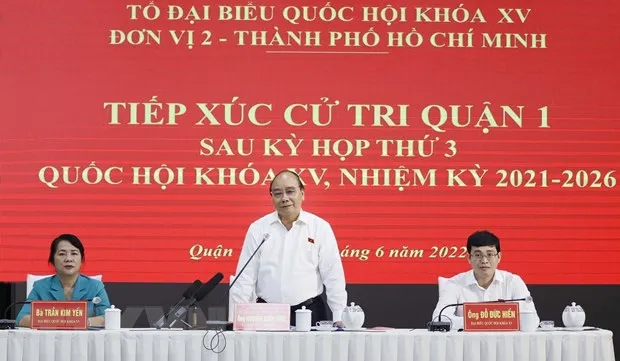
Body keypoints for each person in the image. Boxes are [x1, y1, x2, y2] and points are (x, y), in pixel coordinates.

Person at [230, 170, 347, 327]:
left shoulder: (319, 227)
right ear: (271, 197)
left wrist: (339, 315)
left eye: (290, 191)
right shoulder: (258, 228)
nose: (284, 198)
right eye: (277, 193)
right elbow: (245, 277)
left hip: (310, 312)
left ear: (302, 193)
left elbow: (333, 276)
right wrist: (237, 317)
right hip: (267, 315)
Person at [432, 230, 539, 330]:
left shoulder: (513, 282)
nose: (484, 260)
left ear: (499, 257)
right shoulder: (454, 284)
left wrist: (480, 321)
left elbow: (531, 321)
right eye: (478, 255)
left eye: (490, 254)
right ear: (469, 258)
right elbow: (439, 319)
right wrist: (483, 322)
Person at [16, 234, 111, 327]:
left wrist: (85, 322)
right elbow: (21, 318)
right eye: (62, 254)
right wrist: (58, 322)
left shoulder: (95, 286)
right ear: (52, 260)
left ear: (81, 259)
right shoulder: (41, 287)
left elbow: (108, 318)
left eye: (74, 253)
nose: (68, 259)